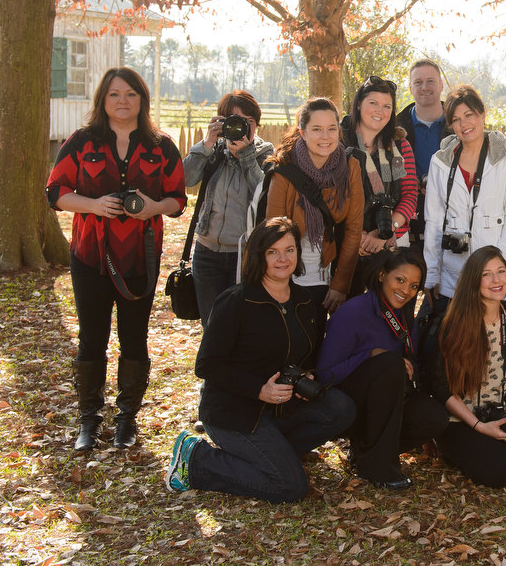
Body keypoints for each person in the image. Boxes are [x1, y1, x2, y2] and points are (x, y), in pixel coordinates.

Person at [166, 218, 356, 502]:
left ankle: (275, 455)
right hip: (234, 411)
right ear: (259, 255)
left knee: (341, 408)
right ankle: (196, 460)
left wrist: (308, 375)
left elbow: (310, 355)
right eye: (273, 252)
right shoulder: (236, 301)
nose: (283, 259)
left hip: (282, 408)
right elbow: (206, 365)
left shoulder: (306, 302)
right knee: (290, 487)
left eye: (289, 250)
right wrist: (259, 389)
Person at [46, 67, 187, 451]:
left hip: (140, 259)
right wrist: (92, 204)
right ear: (102, 100)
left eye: (130, 93)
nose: (122, 101)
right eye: (114, 94)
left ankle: (127, 419)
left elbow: (178, 199)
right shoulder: (81, 141)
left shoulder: (161, 146)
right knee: (92, 338)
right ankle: (89, 419)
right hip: (90, 256)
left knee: (134, 338)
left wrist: (154, 206)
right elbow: (55, 191)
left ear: (141, 99)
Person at [314, 249, 448, 489]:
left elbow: (410, 364)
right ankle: (379, 468)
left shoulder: (405, 317)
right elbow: (324, 375)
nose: (406, 290)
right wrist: (370, 355)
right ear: (381, 275)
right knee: (388, 362)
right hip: (350, 405)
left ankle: (366, 453)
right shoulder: (352, 312)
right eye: (400, 280)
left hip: (390, 401)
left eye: (414, 286)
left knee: (434, 418)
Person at [427, 247, 506, 487]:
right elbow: (441, 387)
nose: (496, 280)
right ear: (473, 279)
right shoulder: (452, 322)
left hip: (498, 413)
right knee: (498, 474)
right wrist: (479, 426)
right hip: (461, 419)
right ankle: (452, 449)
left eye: (501, 271)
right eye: (487, 274)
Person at [422, 85, 506, 324]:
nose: (464, 124)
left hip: (498, 273)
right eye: (456, 119)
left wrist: (498, 259)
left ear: (482, 115)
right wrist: (431, 274)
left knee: (495, 343)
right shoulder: (440, 161)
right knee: (459, 345)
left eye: (469, 115)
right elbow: (434, 221)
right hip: (452, 274)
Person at [264, 97, 365, 316]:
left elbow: (353, 228)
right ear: (302, 132)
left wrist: (340, 284)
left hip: (326, 274)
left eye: (331, 128)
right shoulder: (284, 170)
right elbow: (272, 234)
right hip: (286, 275)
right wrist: (279, 284)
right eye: (317, 129)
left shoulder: (350, 167)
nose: (325, 137)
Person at [182, 90, 274, 325]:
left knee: (241, 324)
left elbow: (264, 196)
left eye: (248, 122)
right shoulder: (212, 151)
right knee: (212, 325)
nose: (241, 127)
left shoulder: (266, 155)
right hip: (207, 253)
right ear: (221, 122)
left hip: (245, 255)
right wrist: (206, 143)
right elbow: (185, 179)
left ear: (257, 124)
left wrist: (245, 156)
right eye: (233, 120)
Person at [342, 77, 418, 293]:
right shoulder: (339, 141)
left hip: (391, 242)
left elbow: (410, 194)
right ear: (359, 104)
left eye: (387, 106)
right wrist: (360, 237)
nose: (380, 111)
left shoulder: (400, 145)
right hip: (347, 243)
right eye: (373, 103)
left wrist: (385, 232)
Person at [395, 59, 446, 257]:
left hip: (450, 222)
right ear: (410, 87)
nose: (424, 87)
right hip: (407, 221)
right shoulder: (394, 128)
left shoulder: (459, 125)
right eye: (418, 82)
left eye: (431, 81)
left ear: (441, 85)